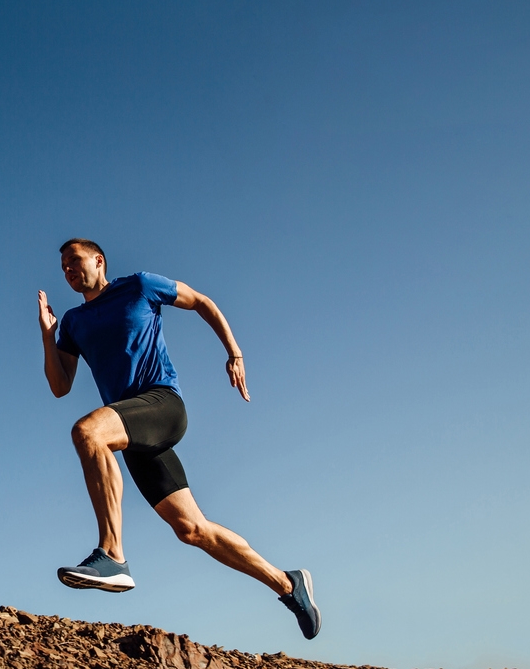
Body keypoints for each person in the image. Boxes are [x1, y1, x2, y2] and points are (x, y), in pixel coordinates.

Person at [38, 240, 321, 639]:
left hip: (160, 404)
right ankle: (288, 585)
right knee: (192, 529)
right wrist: (48, 336)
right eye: (63, 266)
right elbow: (59, 386)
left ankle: (112, 555)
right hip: (129, 427)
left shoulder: (139, 286)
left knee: (88, 431)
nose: (68, 270)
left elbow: (202, 301)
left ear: (98, 261)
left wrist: (234, 352)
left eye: (74, 261)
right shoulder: (73, 322)